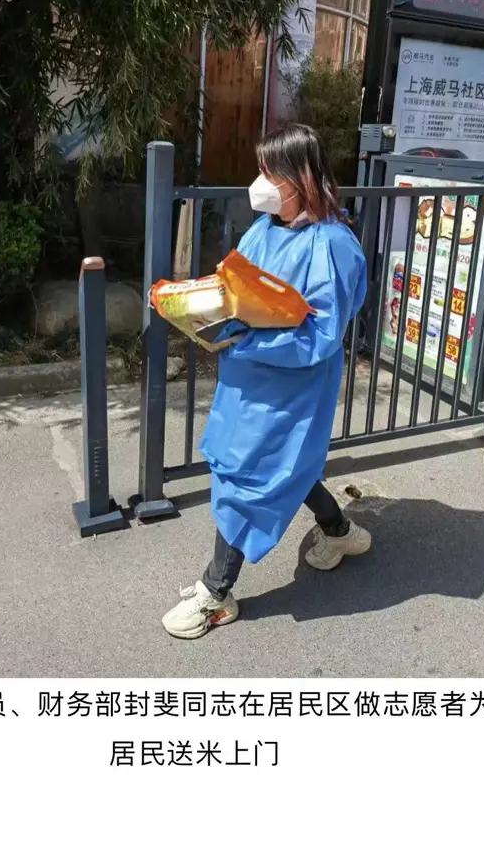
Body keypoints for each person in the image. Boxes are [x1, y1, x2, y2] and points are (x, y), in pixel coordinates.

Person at [162, 123, 370, 640]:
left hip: (292, 388)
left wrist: (247, 341)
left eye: (270, 172)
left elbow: (321, 335)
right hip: (247, 381)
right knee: (281, 468)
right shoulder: (263, 229)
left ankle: (216, 592)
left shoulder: (332, 245)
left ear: (300, 178)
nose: (260, 182)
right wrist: (200, 309)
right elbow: (236, 287)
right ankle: (339, 531)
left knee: (252, 478)